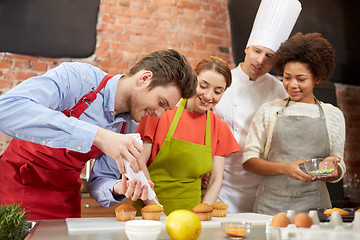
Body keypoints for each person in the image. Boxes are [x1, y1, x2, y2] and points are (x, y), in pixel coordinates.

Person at [0, 49, 197, 220]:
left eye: (166, 109)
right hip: (17, 186)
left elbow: (99, 181)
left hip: (65, 199)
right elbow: (6, 110)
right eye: (161, 102)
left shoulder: (128, 126)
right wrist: (98, 136)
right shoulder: (78, 78)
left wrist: (117, 188)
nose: (159, 114)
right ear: (145, 78)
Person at [88, 56, 240, 215]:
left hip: (192, 216)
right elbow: (140, 163)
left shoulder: (219, 128)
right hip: (150, 212)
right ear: (193, 81)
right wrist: (156, 209)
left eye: (218, 91)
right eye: (203, 86)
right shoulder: (159, 112)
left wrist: (203, 212)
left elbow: (216, 180)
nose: (209, 96)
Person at [211, 0, 302, 213]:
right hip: (221, 182)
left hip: (263, 184)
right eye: (257, 51)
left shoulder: (281, 90)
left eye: (269, 56)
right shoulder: (220, 82)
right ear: (246, 48)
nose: (260, 60)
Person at [242, 32, 346, 215]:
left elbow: (339, 165)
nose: (292, 85)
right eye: (287, 77)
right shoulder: (269, 110)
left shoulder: (333, 115)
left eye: (301, 79)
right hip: (270, 208)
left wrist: (333, 168)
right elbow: (249, 161)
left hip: (315, 209)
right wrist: (285, 168)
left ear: (318, 79)